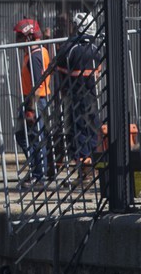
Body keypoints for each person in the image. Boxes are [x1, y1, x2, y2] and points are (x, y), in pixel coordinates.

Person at [61, 12, 104, 170]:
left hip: (76, 97)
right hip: (92, 96)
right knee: (92, 129)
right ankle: (92, 165)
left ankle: (84, 171)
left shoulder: (70, 49)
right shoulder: (95, 49)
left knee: (78, 131)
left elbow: (60, 70)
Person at [15, 18, 54, 175]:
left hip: (36, 101)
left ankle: (39, 174)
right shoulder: (36, 51)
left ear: (28, 37)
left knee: (34, 138)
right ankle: (37, 170)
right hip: (32, 100)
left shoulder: (35, 57)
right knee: (24, 136)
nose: (17, 41)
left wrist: (30, 108)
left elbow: (37, 87)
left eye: (19, 37)